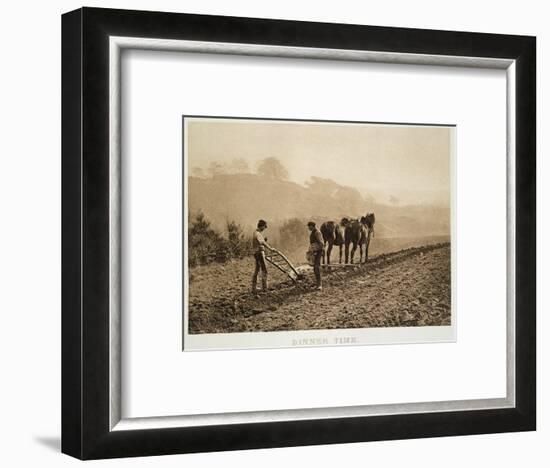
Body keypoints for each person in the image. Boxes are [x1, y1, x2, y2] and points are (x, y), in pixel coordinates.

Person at [251, 219, 272, 295]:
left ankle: (254, 288)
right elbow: (262, 242)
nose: (264, 229)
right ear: (262, 226)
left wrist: (264, 241)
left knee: (257, 270)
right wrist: (270, 248)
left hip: (256, 253)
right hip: (259, 253)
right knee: (264, 270)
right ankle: (265, 288)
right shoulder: (258, 234)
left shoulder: (255, 233)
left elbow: (260, 242)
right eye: (264, 227)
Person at [307, 221, 324, 290]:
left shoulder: (317, 232)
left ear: (312, 226)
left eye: (309, 226)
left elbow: (321, 243)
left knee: (317, 267)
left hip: (318, 252)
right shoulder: (313, 233)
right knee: (315, 268)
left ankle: (319, 285)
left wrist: (316, 251)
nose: (308, 228)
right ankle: (317, 283)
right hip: (314, 252)